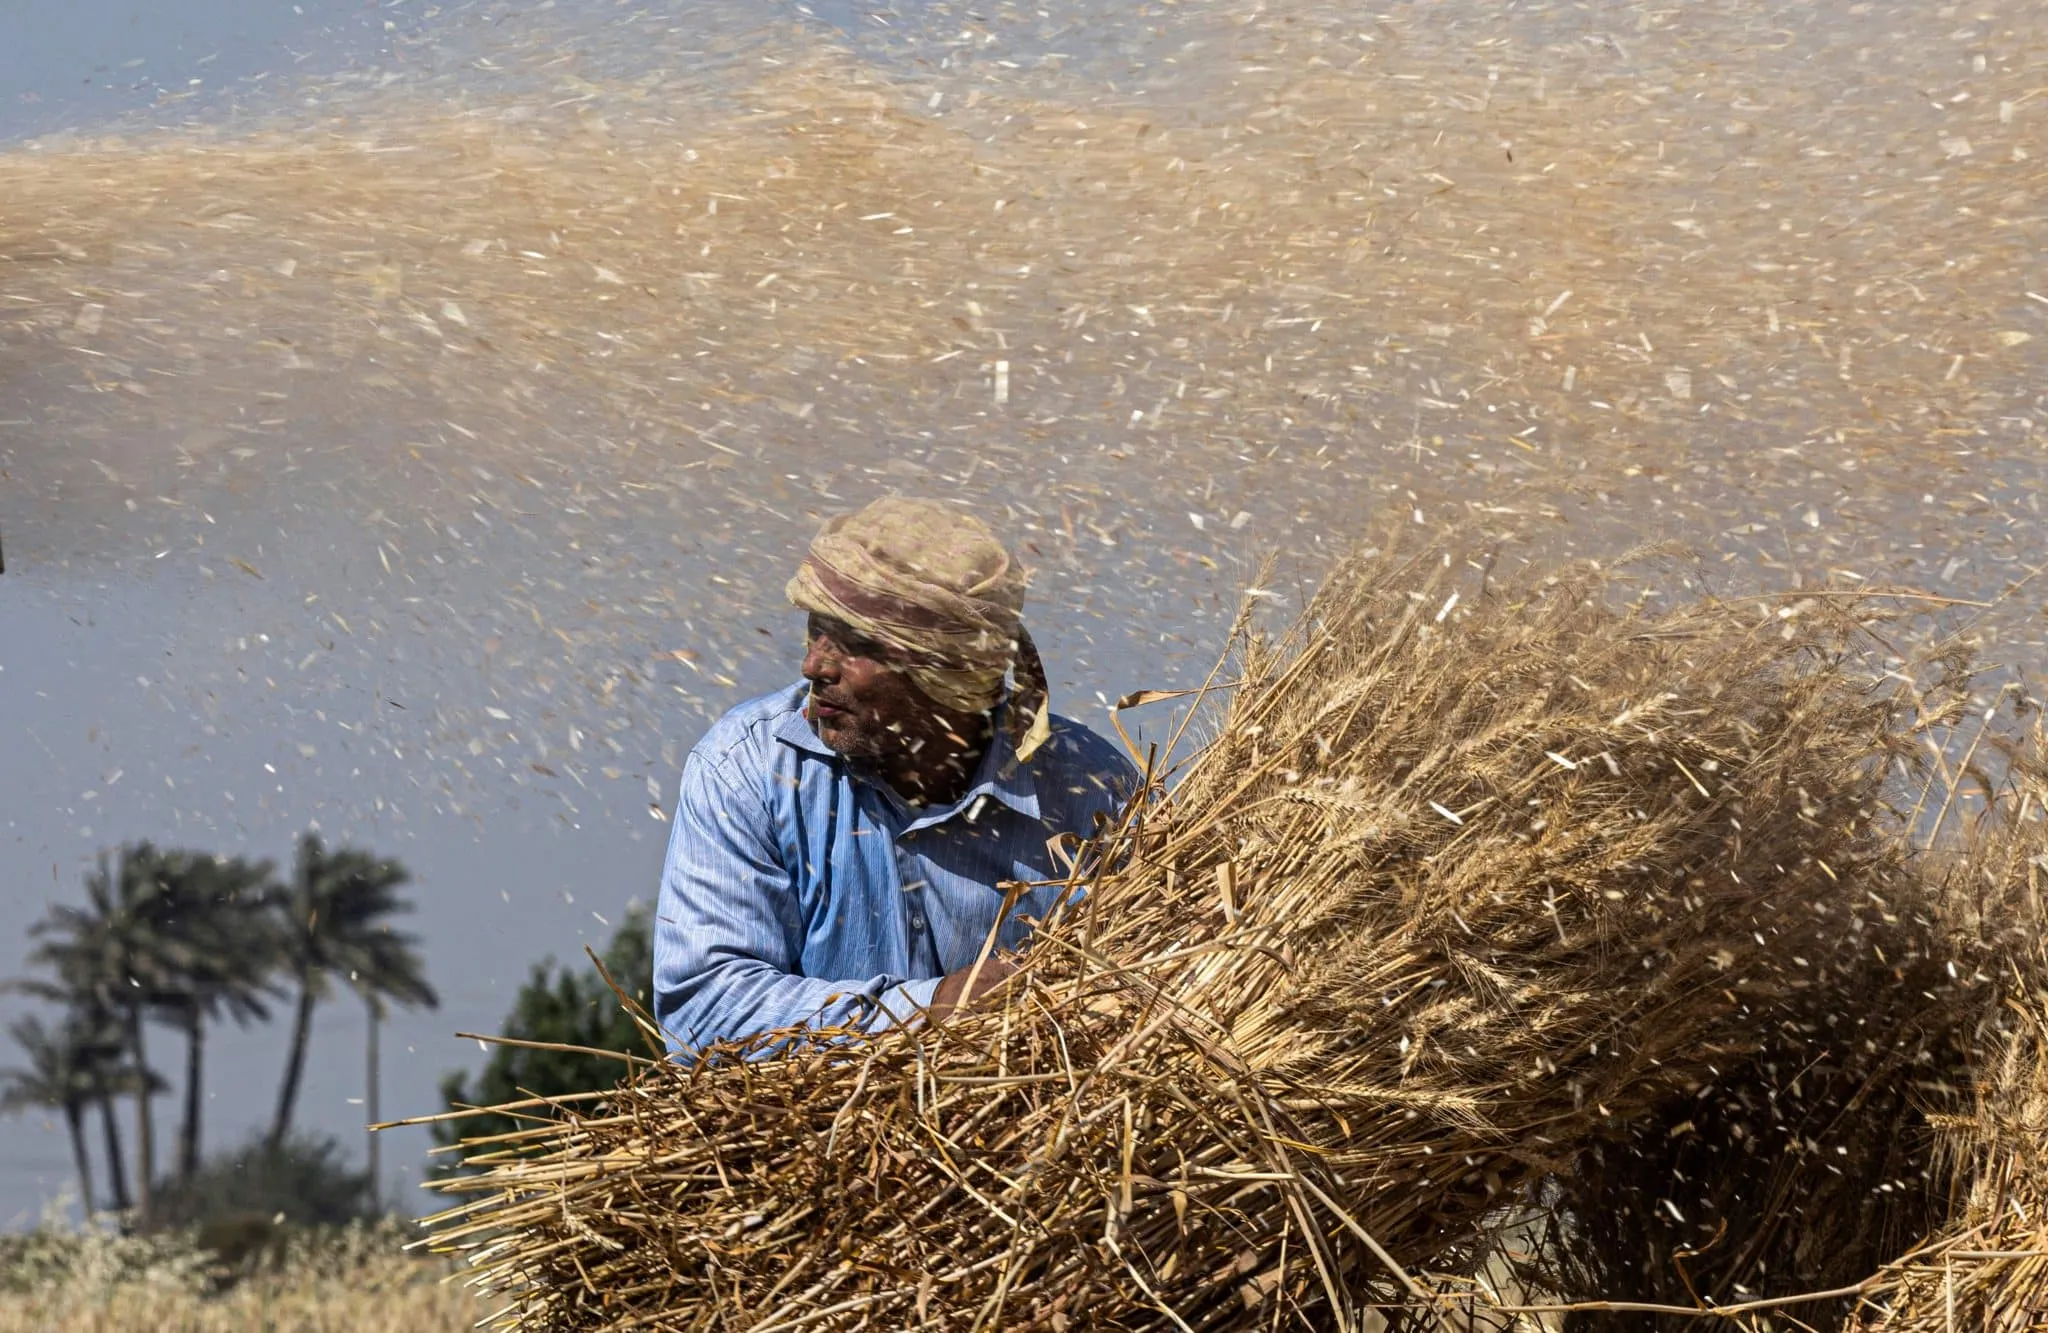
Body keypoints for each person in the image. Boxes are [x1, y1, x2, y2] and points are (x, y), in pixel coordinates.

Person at [652, 496, 1138, 1053]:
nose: (814, 666)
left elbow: (1147, 989)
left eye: (855, 644)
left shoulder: (1092, 792)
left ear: (946, 673)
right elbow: (703, 1009)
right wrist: (928, 1010)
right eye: (816, 630)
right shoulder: (748, 768)